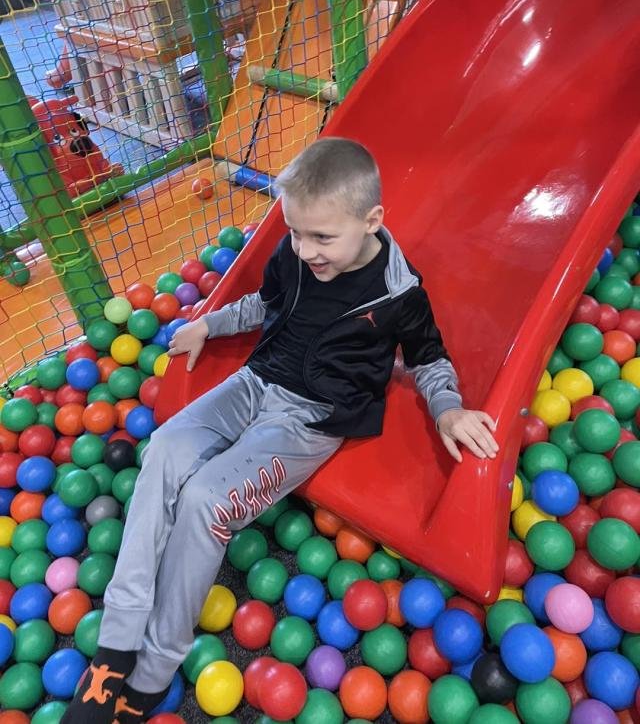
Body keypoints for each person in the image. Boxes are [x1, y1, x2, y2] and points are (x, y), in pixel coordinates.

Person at [62, 137, 497, 724]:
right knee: (163, 448)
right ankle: (115, 647)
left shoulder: (398, 292)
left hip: (310, 419)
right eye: (295, 232)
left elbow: (428, 356)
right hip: (254, 383)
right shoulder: (294, 255)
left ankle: (156, 665)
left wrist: (447, 408)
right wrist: (209, 324)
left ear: (372, 221)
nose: (305, 250)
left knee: (206, 499)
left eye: (322, 238)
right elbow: (263, 304)